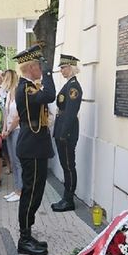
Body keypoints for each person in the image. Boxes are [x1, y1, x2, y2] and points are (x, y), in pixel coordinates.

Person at [14, 45, 56, 255]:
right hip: (32, 147)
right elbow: (50, 95)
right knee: (31, 194)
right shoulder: (27, 88)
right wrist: (49, 72)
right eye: (40, 65)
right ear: (31, 67)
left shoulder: (28, 86)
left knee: (35, 193)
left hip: (34, 146)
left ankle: (27, 233)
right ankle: (24, 239)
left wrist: (46, 71)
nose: (41, 69)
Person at [51, 54, 82, 212]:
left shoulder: (73, 87)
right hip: (63, 129)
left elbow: (70, 113)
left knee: (69, 166)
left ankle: (69, 200)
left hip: (67, 133)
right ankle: (66, 197)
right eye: (61, 68)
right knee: (66, 165)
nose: (62, 70)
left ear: (71, 67)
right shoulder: (69, 85)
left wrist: (63, 134)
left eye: (63, 67)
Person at [1, 69, 22, 203]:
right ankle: (16, 189)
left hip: (17, 130)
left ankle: (21, 190)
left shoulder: (18, 93)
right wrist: (4, 129)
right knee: (13, 161)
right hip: (9, 130)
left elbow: (18, 116)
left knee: (18, 161)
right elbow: (6, 114)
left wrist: (8, 130)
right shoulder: (8, 94)